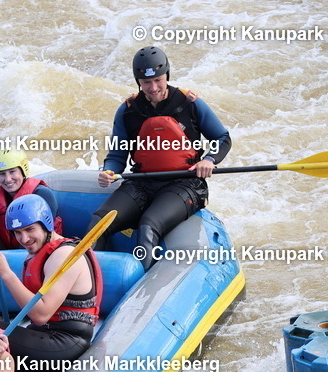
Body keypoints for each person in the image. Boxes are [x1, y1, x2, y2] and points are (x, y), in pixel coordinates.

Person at [89, 45, 232, 266]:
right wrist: (108, 170)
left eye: (158, 79)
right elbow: (117, 154)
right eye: (146, 82)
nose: (153, 87)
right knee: (99, 222)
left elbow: (222, 138)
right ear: (138, 81)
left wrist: (209, 160)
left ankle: (138, 290)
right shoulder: (128, 110)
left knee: (149, 223)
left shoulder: (189, 104)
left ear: (167, 75)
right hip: (142, 183)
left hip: (184, 184)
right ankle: (89, 282)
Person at [0, 194, 102, 372]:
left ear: (47, 224)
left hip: (66, 343)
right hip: (46, 336)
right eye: (17, 232)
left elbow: (41, 315)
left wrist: (6, 273)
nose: (24, 239)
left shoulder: (65, 255)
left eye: (30, 229)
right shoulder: (43, 251)